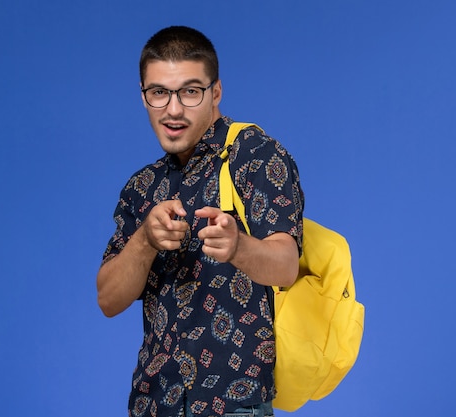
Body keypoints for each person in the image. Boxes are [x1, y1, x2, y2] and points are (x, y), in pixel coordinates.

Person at [97, 26, 304, 417]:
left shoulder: (255, 155)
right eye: (159, 93)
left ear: (216, 92)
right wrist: (144, 240)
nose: (173, 110)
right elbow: (108, 299)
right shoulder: (142, 186)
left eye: (190, 92)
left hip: (233, 405)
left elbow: (286, 265)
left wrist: (239, 246)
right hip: (152, 404)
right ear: (144, 96)